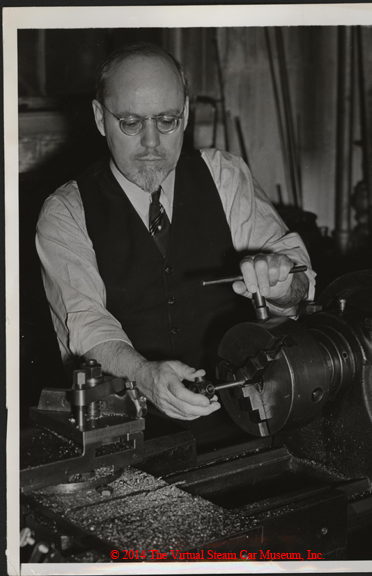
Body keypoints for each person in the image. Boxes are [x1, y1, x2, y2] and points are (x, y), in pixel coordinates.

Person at [36, 42, 315, 427]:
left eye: (166, 120)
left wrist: (281, 286)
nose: (152, 143)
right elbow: (86, 326)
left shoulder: (224, 176)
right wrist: (144, 375)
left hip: (246, 419)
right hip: (127, 430)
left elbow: (300, 284)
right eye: (131, 123)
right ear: (101, 118)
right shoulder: (66, 211)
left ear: (184, 114)